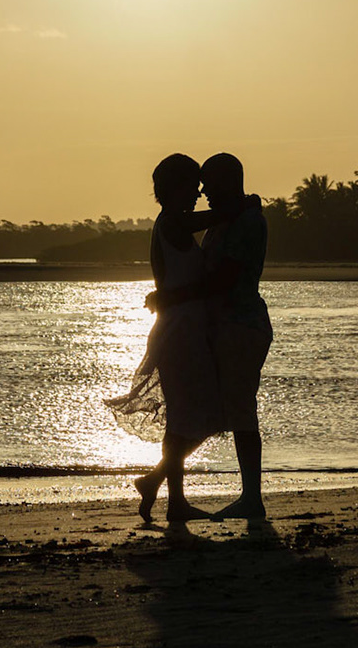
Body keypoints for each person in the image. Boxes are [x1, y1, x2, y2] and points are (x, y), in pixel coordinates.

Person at [146, 151, 272, 520]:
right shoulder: (191, 221)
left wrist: (169, 296)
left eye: (209, 183)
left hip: (237, 326)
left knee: (227, 411)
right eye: (196, 184)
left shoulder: (242, 221)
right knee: (203, 412)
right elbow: (206, 238)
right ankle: (165, 488)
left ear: (229, 183)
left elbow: (223, 278)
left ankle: (249, 498)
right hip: (197, 329)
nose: (203, 191)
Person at [107, 154, 223, 524]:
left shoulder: (172, 223)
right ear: (175, 188)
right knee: (192, 418)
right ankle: (173, 500)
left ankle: (159, 483)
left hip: (184, 329)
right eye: (193, 185)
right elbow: (209, 219)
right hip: (179, 333)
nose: (199, 192)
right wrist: (236, 207)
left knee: (201, 416)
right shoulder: (173, 222)